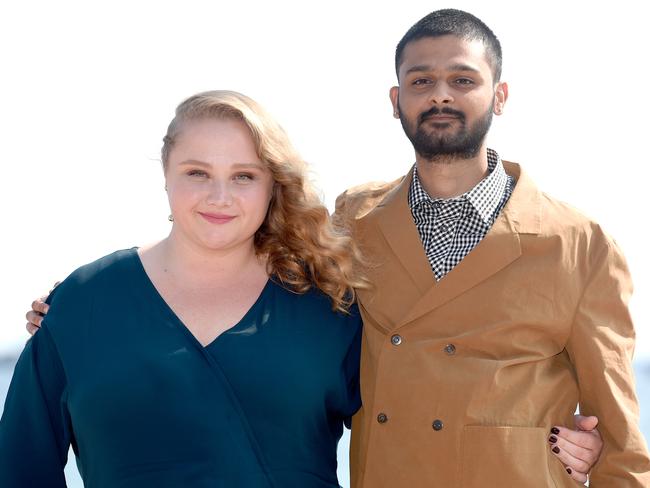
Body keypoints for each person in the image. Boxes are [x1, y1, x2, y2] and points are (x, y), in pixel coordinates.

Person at [333, 9, 650, 487]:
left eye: (463, 79)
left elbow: (621, 447)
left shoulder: (580, 245)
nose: (440, 94)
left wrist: (596, 452)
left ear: (499, 96)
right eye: (421, 81)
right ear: (396, 101)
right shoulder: (355, 221)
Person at [0, 90, 368, 487]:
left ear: (272, 185)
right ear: (166, 173)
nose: (219, 197)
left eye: (243, 176)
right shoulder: (84, 302)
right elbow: (21, 466)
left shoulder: (328, 307)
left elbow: (396, 442)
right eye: (198, 172)